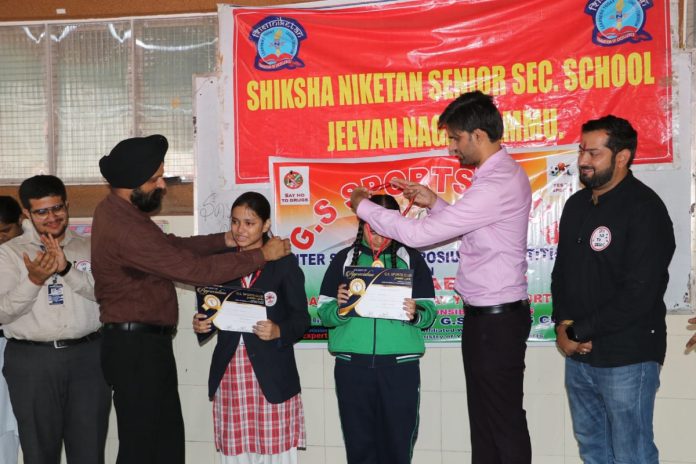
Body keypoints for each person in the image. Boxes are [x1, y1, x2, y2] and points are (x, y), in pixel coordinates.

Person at [350, 91, 532, 463]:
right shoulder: (495, 177)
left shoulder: (495, 183)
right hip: (488, 319)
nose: (452, 148)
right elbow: (476, 230)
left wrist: (363, 207)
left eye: (455, 138)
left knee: (502, 421)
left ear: (477, 136)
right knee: (485, 421)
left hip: (497, 322)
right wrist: (435, 203)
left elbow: (417, 236)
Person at [91, 134, 291, 464]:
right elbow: (193, 270)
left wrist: (226, 239)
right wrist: (261, 257)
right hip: (135, 351)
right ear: (133, 182)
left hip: (143, 347)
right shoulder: (123, 227)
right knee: (143, 446)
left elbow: (171, 246)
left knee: (164, 442)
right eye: (155, 178)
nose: (162, 185)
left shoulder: (123, 213)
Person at [551, 115, 675, 464]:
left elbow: (640, 292)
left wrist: (580, 330)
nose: (583, 161)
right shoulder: (576, 206)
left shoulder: (644, 209)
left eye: (594, 153)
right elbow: (562, 274)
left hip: (628, 356)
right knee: (593, 451)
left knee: (631, 452)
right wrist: (563, 325)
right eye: (581, 151)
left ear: (622, 157)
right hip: (580, 355)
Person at [318, 194, 436, 464]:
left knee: (397, 444)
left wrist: (416, 313)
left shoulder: (412, 260)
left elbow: (429, 314)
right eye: (373, 227)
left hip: (399, 366)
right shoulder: (343, 260)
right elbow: (324, 313)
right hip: (352, 366)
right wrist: (340, 307)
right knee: (359, 446)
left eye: (386, 228)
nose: (379, 236)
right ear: (362, 224)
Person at [0, 176, 110, 464]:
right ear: (26, 213)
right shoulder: (9, 254)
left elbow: (108, 294)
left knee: (89, 450)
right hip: (32, 361)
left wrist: (67, 270)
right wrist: (33, 280)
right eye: (41, 211)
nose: (52, 217)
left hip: (89, 357)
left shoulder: (89, 246)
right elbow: (2, 312)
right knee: (39, 452)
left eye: (57, 208)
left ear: (67, 204)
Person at [193, 191, 309, 464]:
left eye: (249, 223)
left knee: (278, 456)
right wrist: (203, 325)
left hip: (273, 373)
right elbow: (210, 312)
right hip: (231, 374)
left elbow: (301, 319)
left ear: (266, 225)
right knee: (235, 456)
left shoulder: (283, 262)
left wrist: (279, 330)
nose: (240, 230)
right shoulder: (220, 260)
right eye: (235, 222)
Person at [0, 196, 23, 464]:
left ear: (21, 221)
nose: (1, 238)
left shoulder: (30, 250)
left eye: (5, 231)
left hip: (16, 345)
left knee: (11, 425)